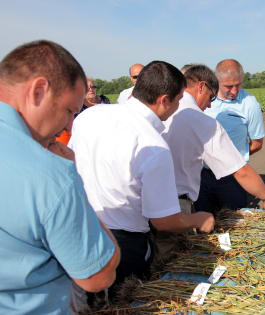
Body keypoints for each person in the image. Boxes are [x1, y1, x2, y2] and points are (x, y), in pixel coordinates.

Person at [69, 61, 215, 300]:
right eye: (178, 100)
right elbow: (164, 221)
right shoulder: (153, 145)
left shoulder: (89, 117)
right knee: (122, 303)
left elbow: (70, 162)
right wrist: (198, 219)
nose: (178, 106)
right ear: (164, 100)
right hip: (123, 245)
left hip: (81, 231)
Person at [0, 40, 120, 314]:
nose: (68, 126)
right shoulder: (50, 174)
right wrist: (74, 181)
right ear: (39, 91)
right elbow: (98, 276)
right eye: (69, 111)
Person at [163, 64, 265, 216]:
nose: (209, 105)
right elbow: (241, 172)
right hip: (176, 204)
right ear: (201, 87)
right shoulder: (202, 121)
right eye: (211, 97)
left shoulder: (162, 108)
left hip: (149, 200)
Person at [194, 59, 265, 212]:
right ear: (216, 81)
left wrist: (233, 157)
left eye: (238, 85)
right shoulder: (204, 101)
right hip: (202, 175)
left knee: (235, 226)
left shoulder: (250, 104)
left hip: (233, 177)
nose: (234, 91)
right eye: (228, 86)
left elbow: (257, 143)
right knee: (205, 226)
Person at [56, 77, 110, 145]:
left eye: (93, 87)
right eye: (88, 88)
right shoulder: (78, 106)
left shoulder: (104, 100)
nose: (91, 90)